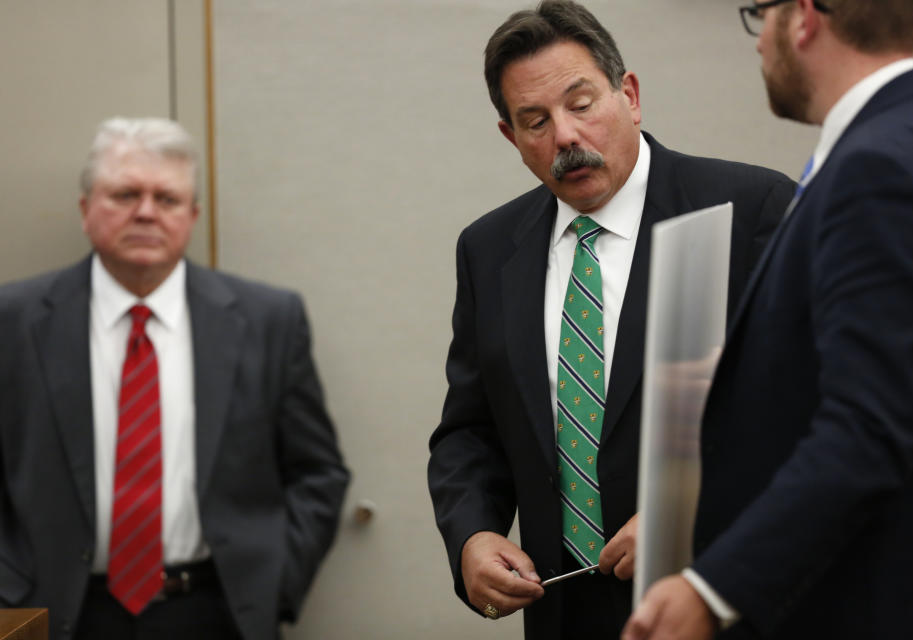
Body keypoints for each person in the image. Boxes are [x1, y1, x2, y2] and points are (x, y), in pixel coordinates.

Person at [426, 1, 795, 638]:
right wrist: (472, 536)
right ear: (512, 138)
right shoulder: (488, 250)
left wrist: (692, 518)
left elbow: (805, 411)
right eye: (535, 121)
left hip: (722, 601)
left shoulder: (749, 210)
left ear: (629, 95)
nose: (565, 136)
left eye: (582, 103)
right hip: (564, 613)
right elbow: (470, 430)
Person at [623, 1, 913, 638]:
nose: (757, 45)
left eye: (759, 15)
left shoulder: (876, 168)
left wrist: (712, 587)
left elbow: (867, 430)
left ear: (804, 17)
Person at [0, 117, 350, 640]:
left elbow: (318, 471)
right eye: (124, 194)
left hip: (217, 611)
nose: (145, 211)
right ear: (84, 209)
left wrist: (273, 585)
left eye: (166, 198)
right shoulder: (13, 320)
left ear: (193, 215)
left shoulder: (267, 319)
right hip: (54, 613)